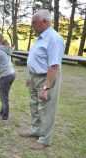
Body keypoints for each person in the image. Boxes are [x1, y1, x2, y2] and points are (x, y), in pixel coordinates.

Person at [19, 9, 64, 150]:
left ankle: (45, 139)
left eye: (34, 22)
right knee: (34, 106)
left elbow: (54, 66)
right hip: (34, 77)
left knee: (46, 109)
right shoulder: (40, 37)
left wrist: (45, 88)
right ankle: (35, 130)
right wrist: (29, 77)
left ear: (45, 21)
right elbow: (36, 60)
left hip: (46, 79)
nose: (32, 25)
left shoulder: (54, 39)